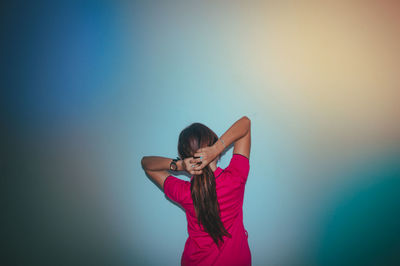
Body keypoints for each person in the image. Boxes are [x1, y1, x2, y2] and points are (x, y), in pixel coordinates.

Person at [141, 116, 251, 265]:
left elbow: (146, 164)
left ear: (185, 157)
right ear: (215, 150)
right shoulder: (235, 178)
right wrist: (217, 147)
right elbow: (245, 123)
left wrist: (178, 166)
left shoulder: (184, 193)